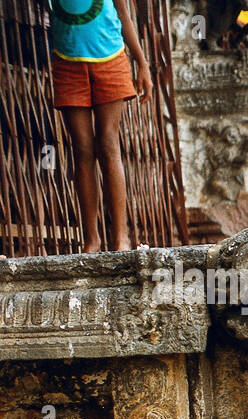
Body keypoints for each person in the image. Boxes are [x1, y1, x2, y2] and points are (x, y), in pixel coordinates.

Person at [47, 0, 152, 253]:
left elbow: (124, 16)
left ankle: (121, 238)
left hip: (111, 60)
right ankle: (91, 240)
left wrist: (142, 63)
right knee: (82, 150)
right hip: (68, 63)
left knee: (107, 143)